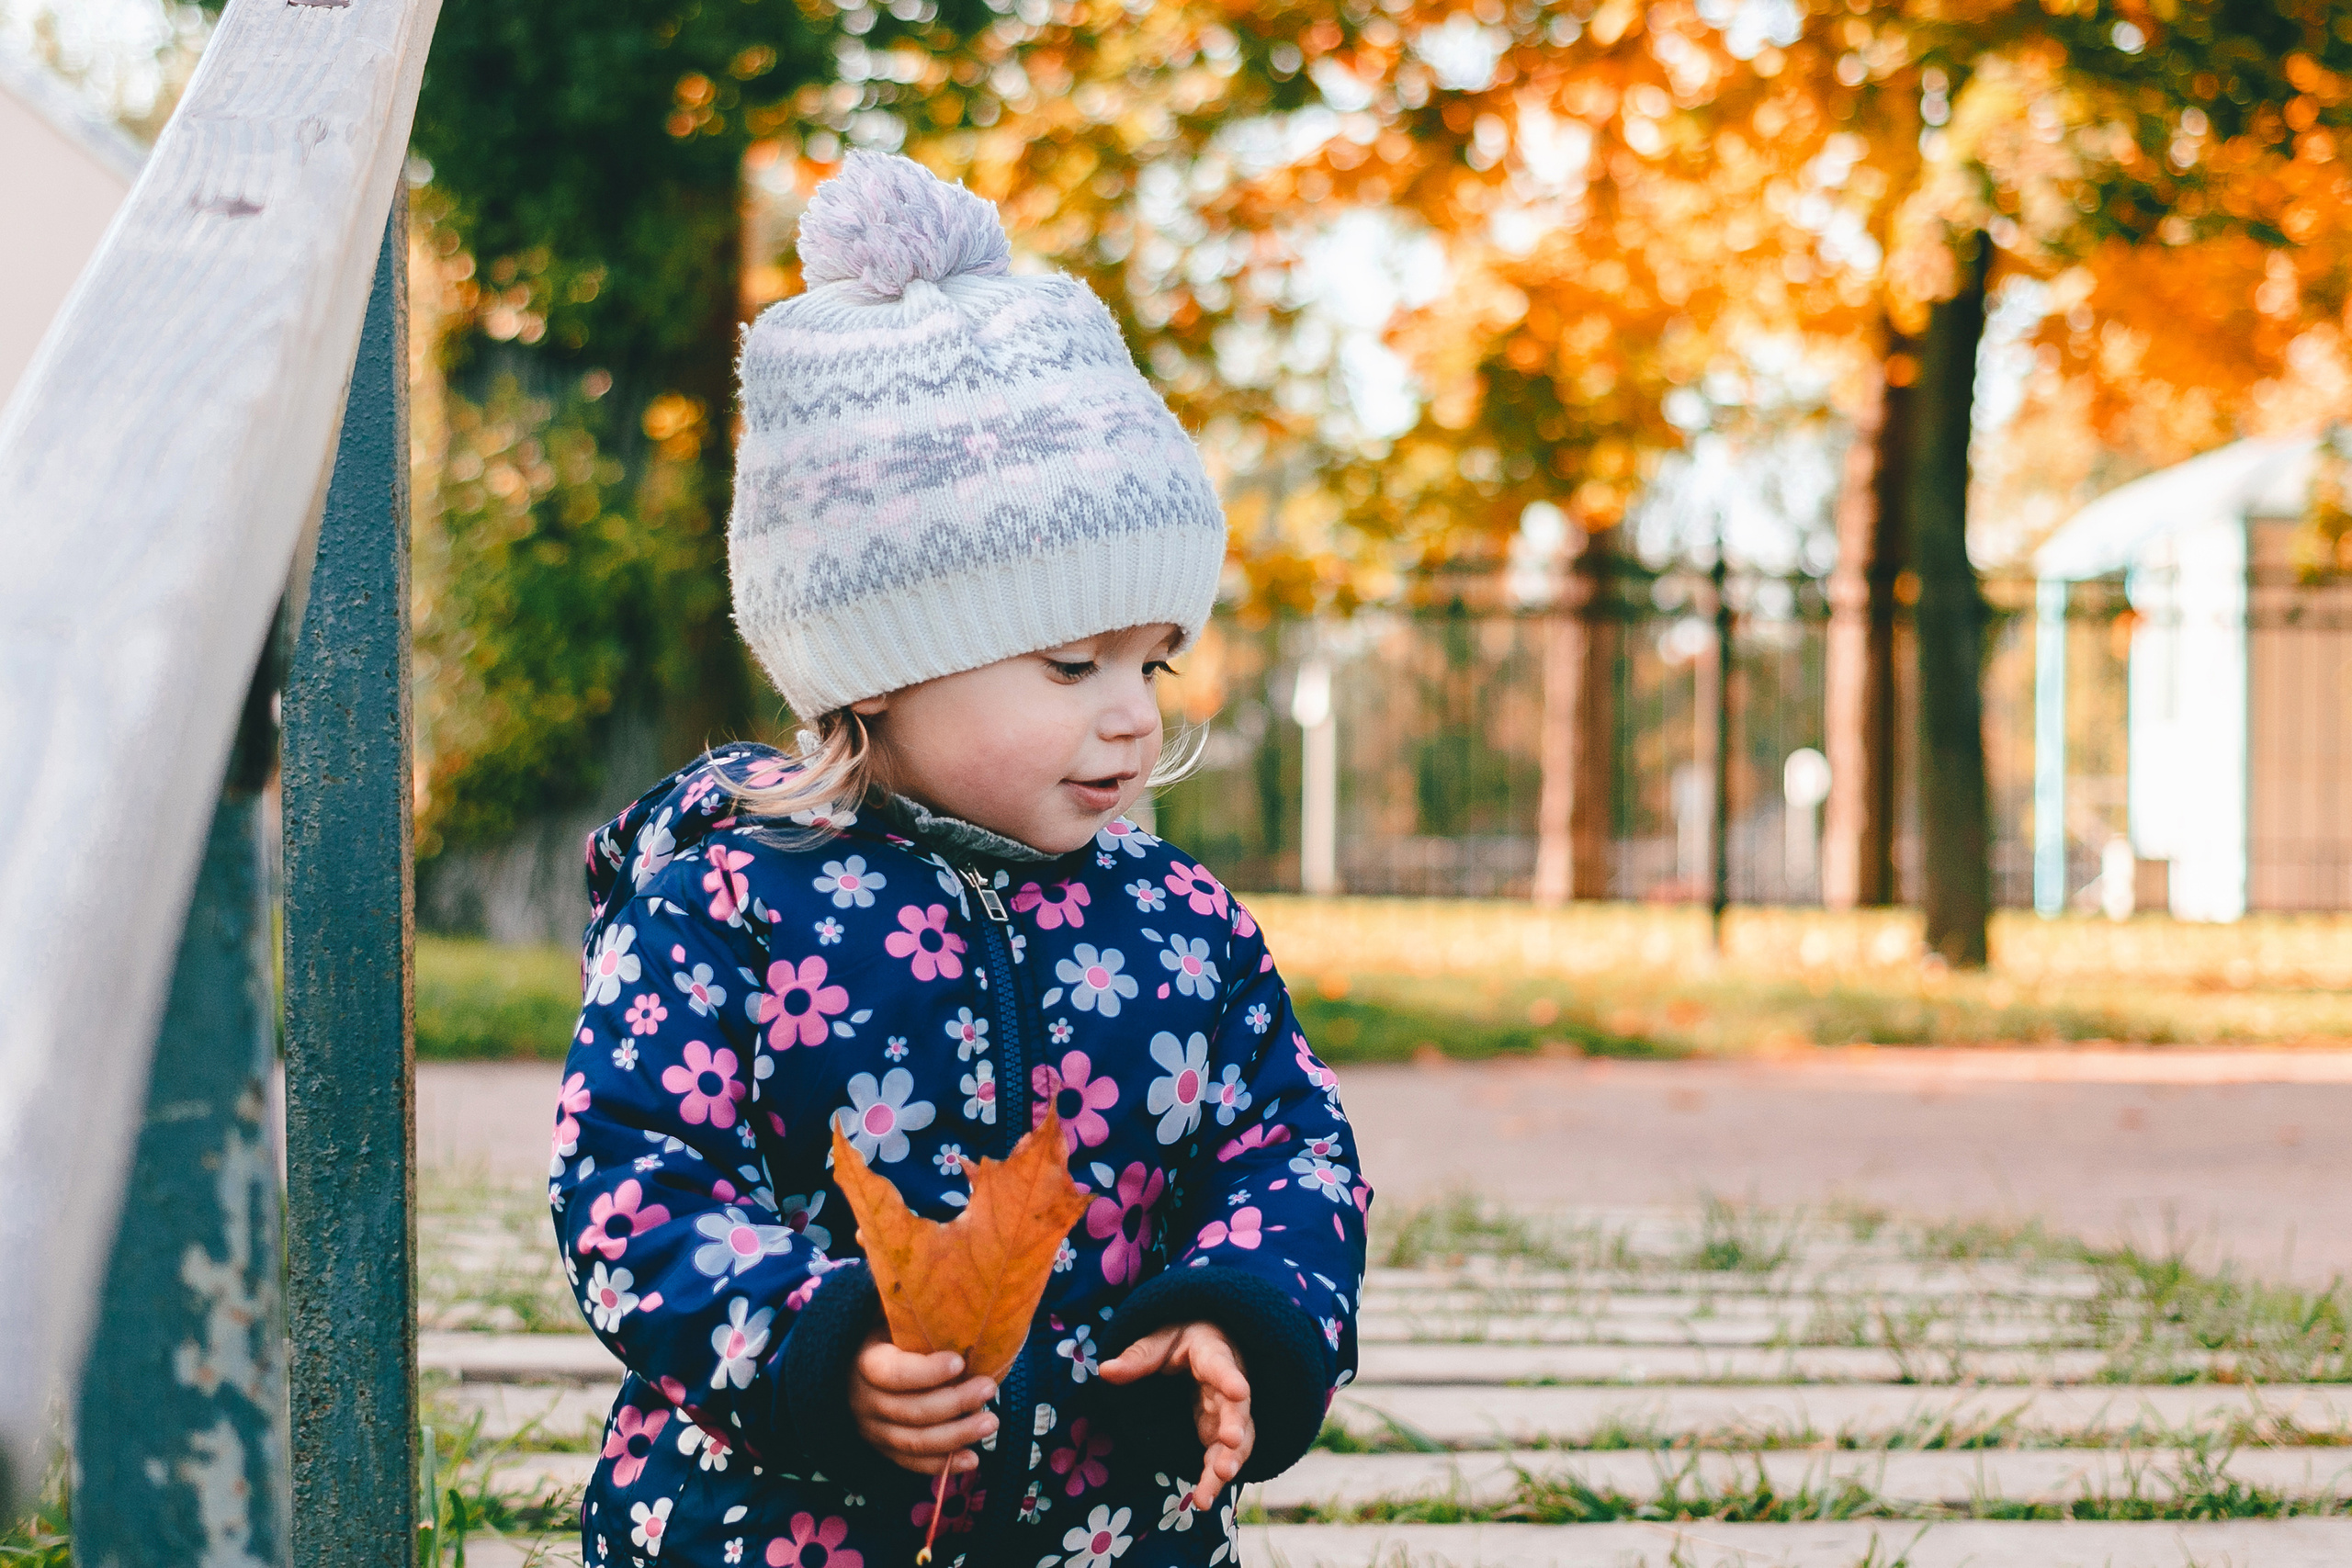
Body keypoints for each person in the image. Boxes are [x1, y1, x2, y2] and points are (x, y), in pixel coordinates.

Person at [551, 150, 1370, 1568]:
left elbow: (1287, 1144)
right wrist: (814, 1345)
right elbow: (633, 1179)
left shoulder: (1180, 925)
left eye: (1152, 662)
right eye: (1070, 663)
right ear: (876, 664)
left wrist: (1239, 1312)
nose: (1133, 714)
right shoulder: (728, 906)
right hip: (774, 1529)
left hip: (1105, 1531)